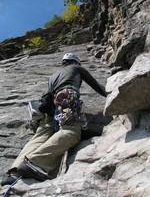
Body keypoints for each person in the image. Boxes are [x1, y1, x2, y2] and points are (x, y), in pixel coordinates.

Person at [1, 53, 107, 186]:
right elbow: (95, 85)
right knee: (71, 132)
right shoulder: (76, 68)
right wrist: (111, 93)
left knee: (40, 136)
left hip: (50, 108)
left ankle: (14, 171)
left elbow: (47, 96)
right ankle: (36, 162)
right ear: (75, 62)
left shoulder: (53, 76)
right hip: (66, 98)